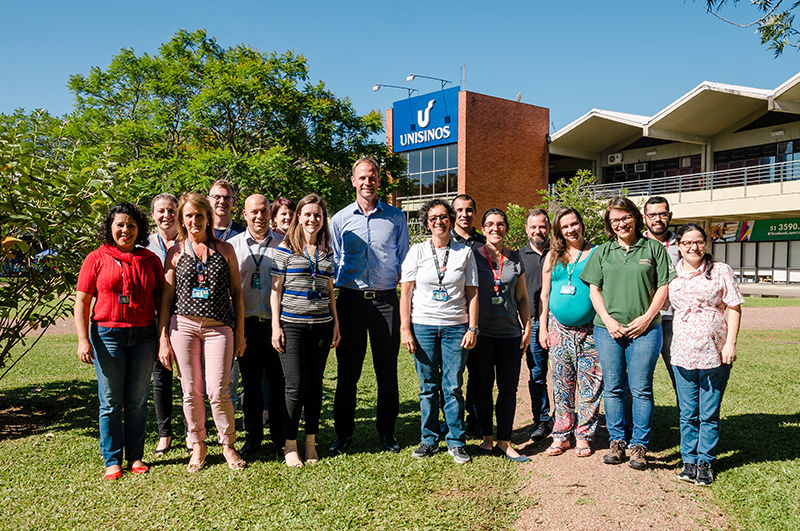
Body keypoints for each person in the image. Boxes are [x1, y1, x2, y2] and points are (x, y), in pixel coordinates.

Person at [580, 197, 674, 470]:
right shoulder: (603, 251)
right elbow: (594, 289)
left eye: (625, 218)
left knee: (641, 388)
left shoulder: (653, 248)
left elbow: (663, 287)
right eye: (614, 220)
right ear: (609, 225)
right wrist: (608, 320)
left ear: (636, 217)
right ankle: (617, 442)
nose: (620, 224)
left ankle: (639, 446)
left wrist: (646, 318)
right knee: (613, 387)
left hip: (646, 330)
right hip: (608, 330)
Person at [157, 193, 247, 472]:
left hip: (219, 328)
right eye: (189, 216)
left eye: (199, 215)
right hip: (182, 327)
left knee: (218, 390)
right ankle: (197, 444)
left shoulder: (225, 249)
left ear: (208, 217)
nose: (194, 221)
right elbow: (166, 298)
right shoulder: (175, 252)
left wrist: (240, 331)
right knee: (190, 390)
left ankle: (227, 444)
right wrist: (163, 338)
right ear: (182, 220)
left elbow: (236, 292)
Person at [75, 202, 164, 480]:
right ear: (110, 228)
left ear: (140, 230)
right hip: (107, 336)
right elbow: (82, 301)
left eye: (132, 225)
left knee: (137, 401)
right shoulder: (96, 258)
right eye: (120, 225)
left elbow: (161, 300)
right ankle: (112, 459)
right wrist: (83, 339)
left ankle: (135, 456)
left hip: (144, 336)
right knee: (111, 401)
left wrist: (163, 338)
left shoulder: (150, 260)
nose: (126, 230)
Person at [329, 157, 410, 454]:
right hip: (350, 300)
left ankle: (387, 431)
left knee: (386, 372)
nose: (367, 182)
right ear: (353, 181)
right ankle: (344, 434)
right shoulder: (339, 220)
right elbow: (336, 260)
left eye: (372, 177)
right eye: (362, 177)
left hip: (386, 300)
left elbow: (403, 260)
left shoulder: (396, 218)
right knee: (348, 373)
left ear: (379, 180)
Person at [400, 199, 479, 464]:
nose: (439, 222)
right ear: (426, 222)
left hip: (456, 326)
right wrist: (405, 329)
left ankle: (456, 441)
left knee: (453, 385)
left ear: (451, 219)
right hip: (423, 325)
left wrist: (472, 328)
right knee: (428, 386)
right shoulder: (416, 252)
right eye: (433, 218)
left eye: (443, 216)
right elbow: (406, 293)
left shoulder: (464, 253)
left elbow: (473, 293)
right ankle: (429, 439)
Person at [669, 223, 743, 486]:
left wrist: (730, 344)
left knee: (708, 413)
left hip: (715, 351)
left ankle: (705, 462)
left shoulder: (720, 271)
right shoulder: (672, 275)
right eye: (687, 242)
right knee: (687, 412)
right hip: (682, 353)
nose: (693, 247)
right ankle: (688, 460)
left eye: (698, 241)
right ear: (678, 245)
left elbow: (734, 307)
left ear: (705, 243)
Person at [271, 194, 340, 467]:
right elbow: (275, 291)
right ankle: (290, 445)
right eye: (308, 214)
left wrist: (336, 323)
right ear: (298, 217)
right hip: (293, 326)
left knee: (315, 384)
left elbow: (330, 291)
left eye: (318, 215)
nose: (313, 219)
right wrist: (276, 326)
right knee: (295, 385)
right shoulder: (285, 249)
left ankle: (310, 442)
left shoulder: (327, 253)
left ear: (323, 220)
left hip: (322, 326)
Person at [538, 208, 602, 457]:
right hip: (558, 330)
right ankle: (562, 435)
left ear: (581, 225)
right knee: (562, 384)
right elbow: (544, 295)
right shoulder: (553, 256)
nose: (571, 230)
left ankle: (584, 434)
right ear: (559, 231)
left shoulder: (596, 253)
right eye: (565, 227)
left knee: (591, 383)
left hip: (590, 330)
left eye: (574, 224)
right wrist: (543, 327)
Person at [472, 208, 532, 463]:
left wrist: (527, 326)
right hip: (481, 333)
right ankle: (487, 438)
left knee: (508, 389)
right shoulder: (472, 257)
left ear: (506, 228)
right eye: (490, 224)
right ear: (483, 229)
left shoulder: (516, 259)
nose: (495, 228)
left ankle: (505, 441)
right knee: (482, 387)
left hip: (509, 333)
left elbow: (521, 297)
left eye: (500, 224)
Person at [229, 194, 285, 457]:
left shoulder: (284, 244)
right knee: (250, 387)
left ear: (270, 213)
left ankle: (279, 438)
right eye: (254, 212)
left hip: (276, 325)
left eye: (263, 211)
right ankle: (252, 439)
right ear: (244, 214)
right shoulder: (232, 246)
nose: (259, 216)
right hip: (247, 325)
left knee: (277, 384)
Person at [146, 193, 180, 457]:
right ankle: (165, 433)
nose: (166, 215)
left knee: (193, 378)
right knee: (161, 377)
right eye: (161, 211)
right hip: (157, 318)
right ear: (153, 215)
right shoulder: (145, 246)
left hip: (189, 317)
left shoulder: (190, 240)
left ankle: (196, 431)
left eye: (171, 210)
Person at [450, 194, 485, 436]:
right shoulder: (442, 240)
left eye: (469, 210)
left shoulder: (483, 244)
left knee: (477, 373)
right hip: (450, 318)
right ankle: (451, 420)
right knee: (451, 376)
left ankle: (475, 420)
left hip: (476, 319)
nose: (464, 214)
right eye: (459, 210)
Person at [519, 208, 552, 442]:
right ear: (527, 229)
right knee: (537, 374)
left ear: (548, 228)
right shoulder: (517, 256)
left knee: (565, 374)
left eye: (542, 226)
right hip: (531, 323)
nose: (538, 230)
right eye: (533, 227)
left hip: (560, 323)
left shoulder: (560, 252)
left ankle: (563, 417)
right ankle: (541, 419)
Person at [643, 196, 681, 394]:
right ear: (644, 218)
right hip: (643, 322)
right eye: (652, 215)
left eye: (662, 214)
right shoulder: (636, 244)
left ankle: (689, 422)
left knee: (680, 375)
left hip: (674, 321)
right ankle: (633, 424)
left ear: (670, 216)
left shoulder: (683, 244)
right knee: (638, 379)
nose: (657, 219)